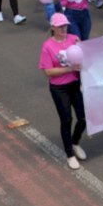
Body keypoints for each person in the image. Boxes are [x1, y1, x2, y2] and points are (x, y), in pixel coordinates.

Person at [39, 13, 87, 170]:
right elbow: (48, 72)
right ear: (53, 27)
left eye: (65, 25)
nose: (63, 28)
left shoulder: (74, 39)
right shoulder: (48, 46)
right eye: (60, 26)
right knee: (66, 120)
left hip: (75, 84)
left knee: (83, 117)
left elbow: (84, 55)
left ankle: (75, 142)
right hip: (59, 89)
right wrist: (69, 69)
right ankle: (69, 154)